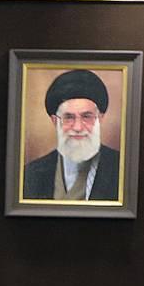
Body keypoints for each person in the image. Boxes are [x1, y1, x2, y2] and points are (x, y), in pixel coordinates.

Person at [21, 68, 122, 202]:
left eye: (86, 116)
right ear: (55, 121)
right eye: (68, 117)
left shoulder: (122, 168)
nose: (77, 127)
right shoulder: (31, 174)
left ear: (100, 119)